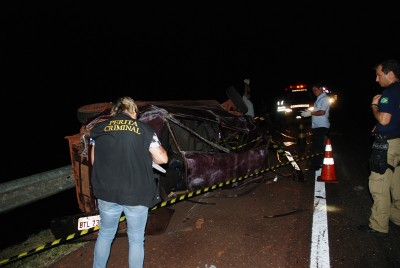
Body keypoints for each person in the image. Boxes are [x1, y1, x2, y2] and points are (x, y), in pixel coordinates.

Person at [89, 96, 168, 268]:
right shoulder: (144, 129)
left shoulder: (99, 129)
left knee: (105, 234)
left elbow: (95, 160)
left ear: (115, 111)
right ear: (132, 110)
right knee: (136, 240)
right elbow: (162, 159)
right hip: (135, 193)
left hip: (107, 192)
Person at [358, 59, 400, 236]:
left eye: (379, 75)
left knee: (379, 184)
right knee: (397, 183)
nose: (376, 79)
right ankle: (397, 217)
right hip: (398, 142)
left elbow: (384, 119)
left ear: (390, 74)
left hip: (387, 145)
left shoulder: (388, 93)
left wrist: (374, 106)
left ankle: (378, 225)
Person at [301, 83, 331, 170]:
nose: (314, 92)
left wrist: (310, 113)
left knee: (317, 147)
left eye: (315, 90)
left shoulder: (325, 98)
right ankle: (316, 164)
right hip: (316, 127)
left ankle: (316, 165)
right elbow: (317, 111)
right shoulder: (319, 99)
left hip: (322, 126)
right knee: (316, 146)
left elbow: (322, 112)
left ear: (321, 88)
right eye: (313, 90)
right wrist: (310, 112)